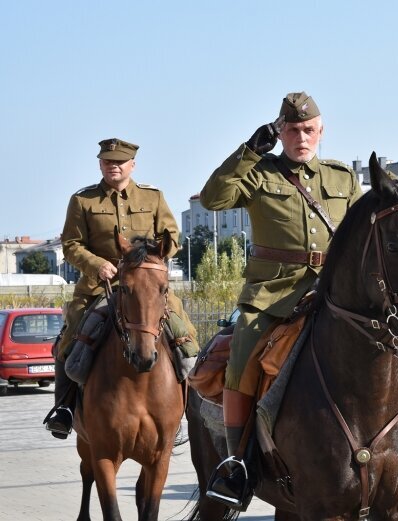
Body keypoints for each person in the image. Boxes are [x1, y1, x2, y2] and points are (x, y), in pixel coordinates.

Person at [199, 91, 362, 508]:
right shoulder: (259, 173)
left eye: (308, 129)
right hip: (273, 295)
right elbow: (214, 199)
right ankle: (237, 464)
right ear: (280, 132)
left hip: (335, 292)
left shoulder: (344, 178)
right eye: (292, 130)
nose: (301, 137)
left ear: (321, 131)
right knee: (242, 359)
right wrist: (248, 152)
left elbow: (365, 230)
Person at [44, 138, 197, 439]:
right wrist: (96, 264)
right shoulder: (83, 201)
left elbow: (172, 237)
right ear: (100, 164)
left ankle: (190, 408)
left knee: (185, 336)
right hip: (100, 287)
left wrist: (150, 257)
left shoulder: (153, 197)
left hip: (145, 287)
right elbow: (71, 245)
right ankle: (63, 408)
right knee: (71, 339)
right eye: (107, 161)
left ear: (132, 165)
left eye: (119, 162)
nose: (113, 166)